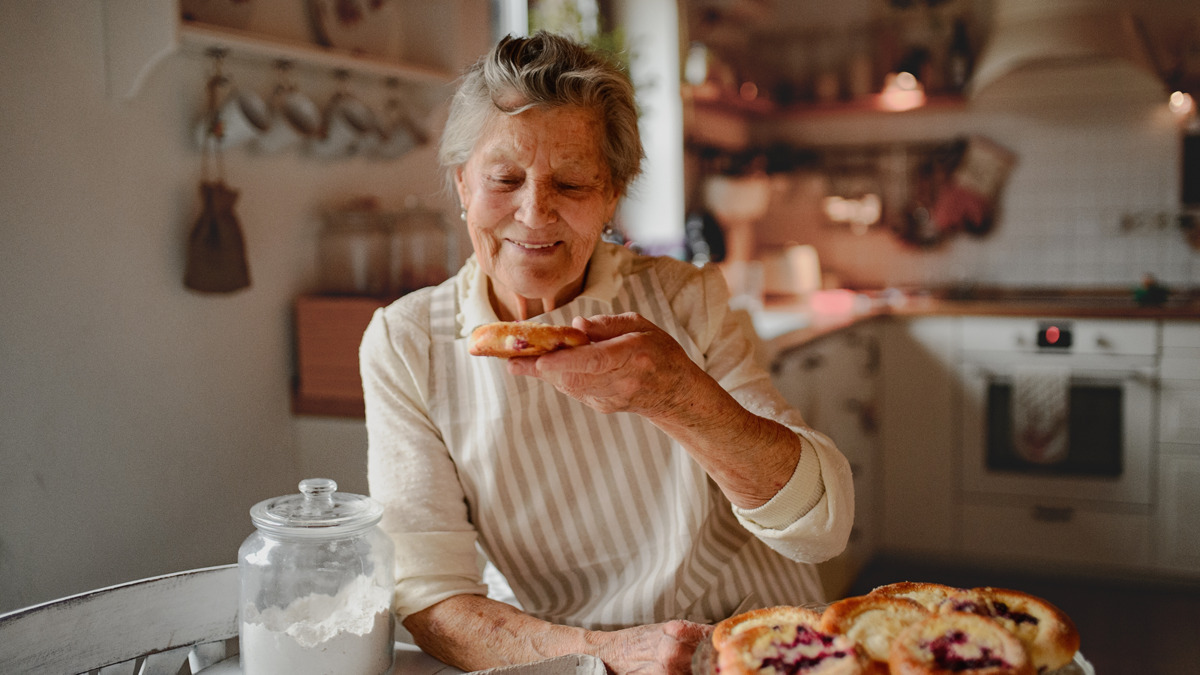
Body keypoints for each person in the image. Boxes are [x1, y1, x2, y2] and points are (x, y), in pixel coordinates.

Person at [360, 31, 854, 675]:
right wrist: (607, 654)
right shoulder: (406, 343)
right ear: (461, 185)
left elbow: (821, 527)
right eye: (504, 179)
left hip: (753, 641)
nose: (534, 214)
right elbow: (430, 595)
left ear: (612, 195)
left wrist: (678, 397)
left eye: (570, 183)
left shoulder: (686, 300)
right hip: (572, 660)